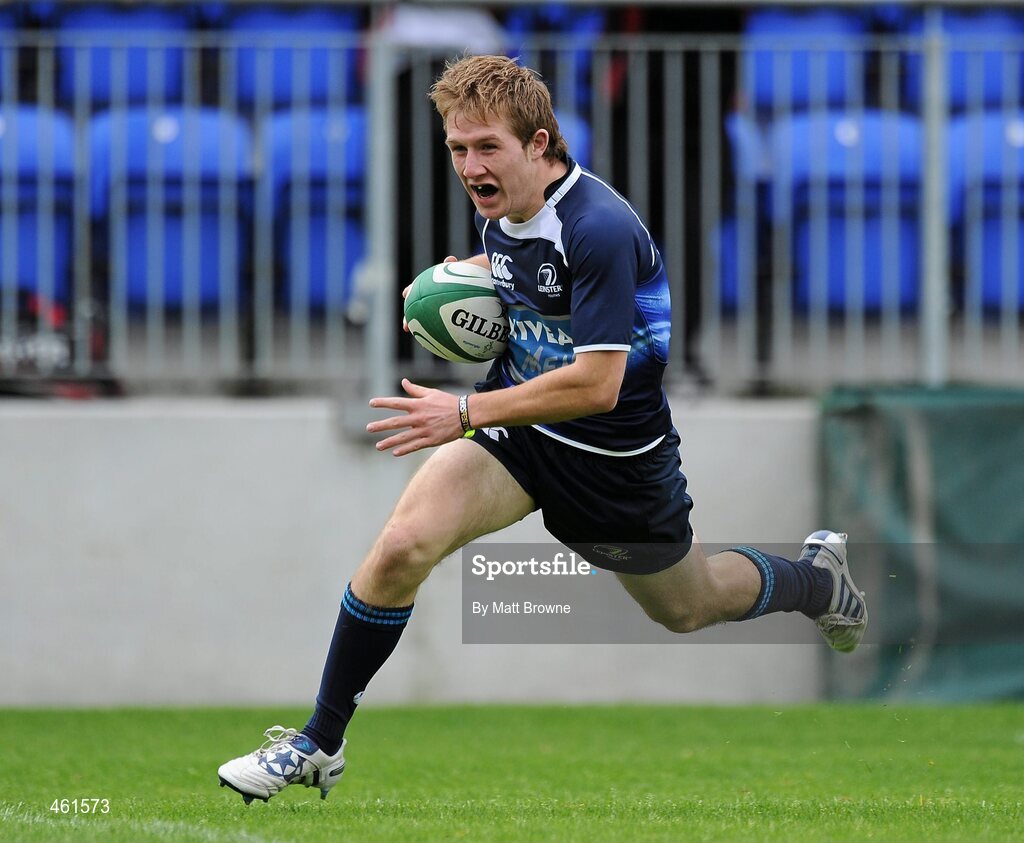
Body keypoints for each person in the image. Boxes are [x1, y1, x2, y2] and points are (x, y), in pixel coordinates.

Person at [217, 55, 867, 805]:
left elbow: (599, 383)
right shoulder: (501, 213)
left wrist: (461, 410)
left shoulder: (599, 227)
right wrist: (447, 290)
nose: (470, 165)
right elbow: (521, 291)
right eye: (458, 148)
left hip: (614, 460)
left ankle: (818, 580)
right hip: (520, 437)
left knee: (689, 606)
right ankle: (316, 742)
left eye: (487, 146)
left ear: (540, 142)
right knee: (401, 546)